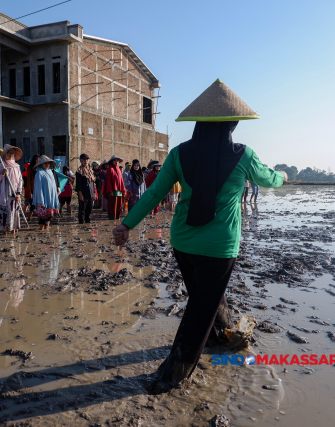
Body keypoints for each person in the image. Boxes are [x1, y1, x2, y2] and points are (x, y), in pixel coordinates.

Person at [112, 78, 287, 393]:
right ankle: (172, 374)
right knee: (200, 310)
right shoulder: (243, 154)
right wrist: (284, 175)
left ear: (198, 123)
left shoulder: (180, 154)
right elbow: (269, 179)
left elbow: (154, 195)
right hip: (219, 247)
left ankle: (231, 335)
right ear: (232, 124)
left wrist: (127, 224)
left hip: (184, 242)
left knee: (205, 300)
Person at [0, 144, 23, 236]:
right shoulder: (0, 167)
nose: (11, 155)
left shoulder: (17, 166)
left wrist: (19, 193)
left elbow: (20, 180)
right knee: (5, 213)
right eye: (9, 153)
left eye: (12, 153)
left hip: (15, 194)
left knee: (14, 212)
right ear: (5, 154)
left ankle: (13, 233)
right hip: (5, 194)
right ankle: (5, 233)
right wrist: (2, 174)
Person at [32, 155, 60, 230]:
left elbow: (53, 185)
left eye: (48, 163)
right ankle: (41, 231)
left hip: (50, 198)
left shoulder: (50, 172)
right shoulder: (39, 173)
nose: (47, 164)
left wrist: (55, 195)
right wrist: (41, 199)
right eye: (45, 163)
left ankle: (46, 233)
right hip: (43, 199)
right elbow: (38, 187)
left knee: (48, 217)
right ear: (41, 164)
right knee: (42, 219)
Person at [104, 156, 126, 220]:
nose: (116, 162)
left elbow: (121, 181)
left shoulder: (119, 169)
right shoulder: (110, 169)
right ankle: (111, 219)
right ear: (112, 162)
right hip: (112, 192)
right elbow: (108, 181)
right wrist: (110, 191)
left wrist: (123, 191)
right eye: (115, 161)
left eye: (117, 161)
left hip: (119, 192)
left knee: (119, 207)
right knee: (112, 206)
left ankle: (117, 218)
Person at [76, 153, 96, 224]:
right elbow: (78, 184)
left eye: (87, 159)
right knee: (82, 209)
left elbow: (93, 182)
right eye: (84, 159)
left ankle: (88, 221)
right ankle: (81, 222)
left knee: (89, 208)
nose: (86, 161)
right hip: (83, 192)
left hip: (90, 192)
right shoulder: (79, 171)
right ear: (81, 160)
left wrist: (94, 193)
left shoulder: (90, 170)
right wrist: (80, 194)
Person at [24, 155, 39, 221]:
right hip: (32, 189)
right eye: (36, 159)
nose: (37, 161)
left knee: (38, 206)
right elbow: (28, 180)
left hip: (38, 189)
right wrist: (29, 191)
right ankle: (28, 219)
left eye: (38, 159)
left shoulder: (39, 168)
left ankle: (36, 220)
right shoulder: (30, 168)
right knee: (32, 206)